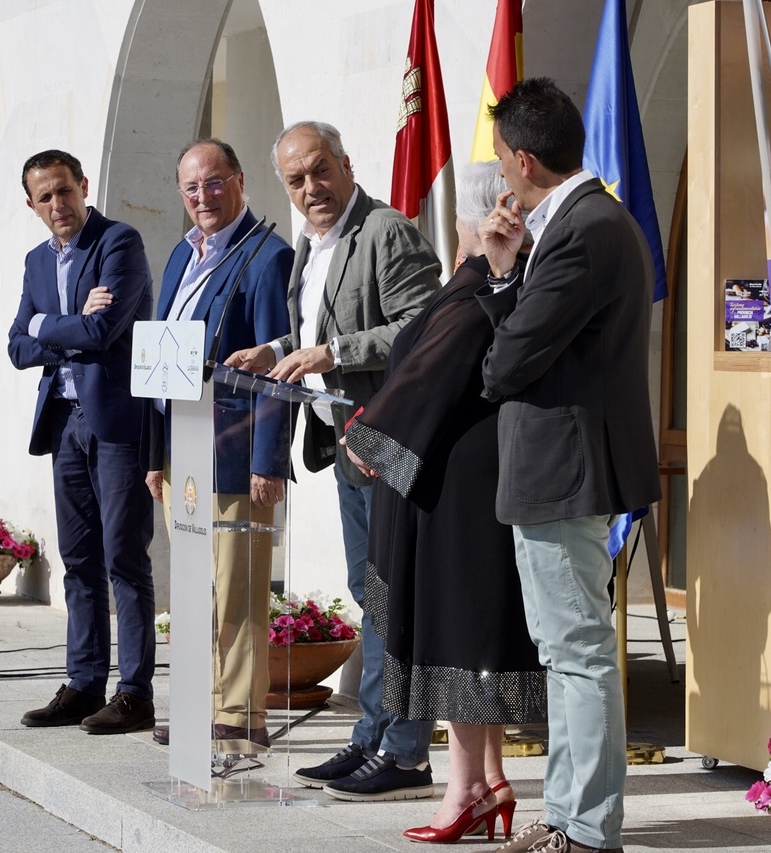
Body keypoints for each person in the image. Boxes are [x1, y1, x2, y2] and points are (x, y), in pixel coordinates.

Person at [225, 120, 441, 802]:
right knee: (372, 593)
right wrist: (278, 348)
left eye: (321, 171)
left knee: (395, 597)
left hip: (390, 445)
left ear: (347, 164)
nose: (311, 188)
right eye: (296, 179)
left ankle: (405, 751)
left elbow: (424, 324)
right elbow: (323, 324)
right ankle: (373, 737)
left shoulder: (387, 231)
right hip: (346, 446)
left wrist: (334, 354)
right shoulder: (311, 244)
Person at [476, 79, 660, 853]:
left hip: (562, 469)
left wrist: (495, 284)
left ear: (524, 159)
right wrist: (509, 270)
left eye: (499, 162)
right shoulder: (585, 220)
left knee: (577, 654)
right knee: (569, 651)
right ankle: (567, 815)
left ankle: (583, 830)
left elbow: (507, 361)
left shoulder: (583, 227)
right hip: (568, 466)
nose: (499, 178)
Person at [342, 160, 545, 843]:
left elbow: (435, 372)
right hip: (455, 480)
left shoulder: (481, 287)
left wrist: (370, 435)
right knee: (469, 636)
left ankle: (461, 792)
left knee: (459, 637)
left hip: (458, 486)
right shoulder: (479, 283)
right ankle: (487, 782)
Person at [133, 138, 294, 750]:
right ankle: (202, 707)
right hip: (183, 447)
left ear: (241, 180)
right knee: (196, 587)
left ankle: (242, 716)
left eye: (215, 182)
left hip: (234, 452)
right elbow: (158, 360)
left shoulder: (267, 256)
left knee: (238, 588)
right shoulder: (180, 255)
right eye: (192, 187)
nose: (204, 196)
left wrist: (267, 460)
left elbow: (278, 369)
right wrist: (155, 456)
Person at [9, 149, 157, 735]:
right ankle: (83, 682)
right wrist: (55, 326)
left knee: (124, 556)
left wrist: (49, 325)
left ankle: (136, 692)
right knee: (77, 560)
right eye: (45, 197)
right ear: (31, 205)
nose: (57, 205)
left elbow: (105, 328)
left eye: (64, 191)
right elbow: (18, 345)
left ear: (83, 186)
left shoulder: (119, 242)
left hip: (117, 422)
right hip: (64, 422)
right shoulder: (35, 262)